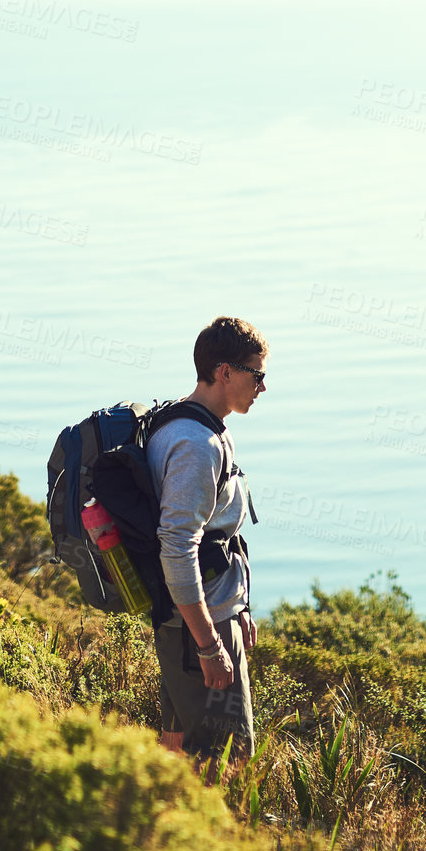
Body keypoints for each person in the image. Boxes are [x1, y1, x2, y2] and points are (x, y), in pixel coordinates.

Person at [146, 316, 267, 772]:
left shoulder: (196, 422)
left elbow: (218, 535)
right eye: (257, 375)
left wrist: (242, 608)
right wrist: (211, 644)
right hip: (200, 627)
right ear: (225, 372)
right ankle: (210, 843)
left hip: (203, 619)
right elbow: (177, 546)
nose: (262, 387)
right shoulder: (197, 445)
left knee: (176, 751)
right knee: (228, 764)